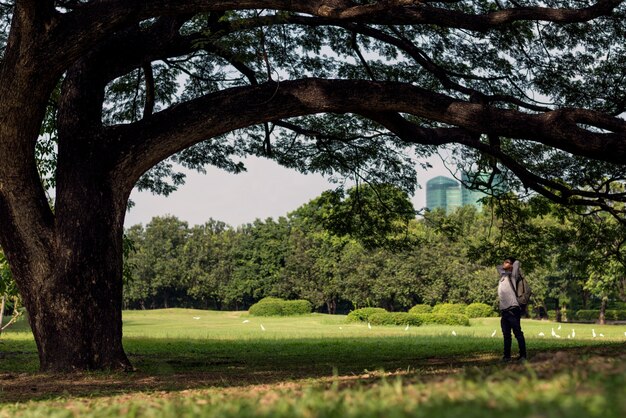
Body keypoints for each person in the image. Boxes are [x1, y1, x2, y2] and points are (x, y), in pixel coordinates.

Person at [497, 257, 527, 362]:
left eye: (507, 262)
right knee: (506, 335)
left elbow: (518, 262)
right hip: (504, 311)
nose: (504, 263)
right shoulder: (503, 276)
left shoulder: (513, 277)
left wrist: (512, 263)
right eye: (503, 261)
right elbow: (498, 267)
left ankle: (523, 356)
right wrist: (506, 264)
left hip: (513, 309)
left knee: (517, 333)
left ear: (512, 266)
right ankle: (506, 356)